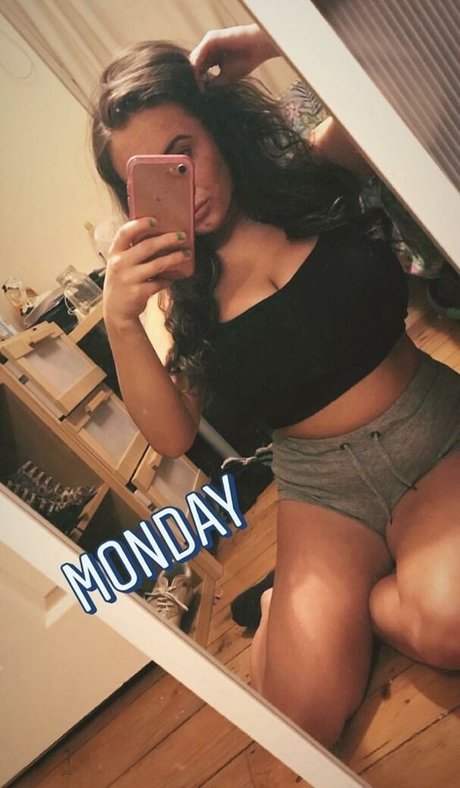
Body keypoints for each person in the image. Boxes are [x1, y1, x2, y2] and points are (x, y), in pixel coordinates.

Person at [91, 24, 460, 748]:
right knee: (299, 717)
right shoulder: (178, 295)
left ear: (216, 124)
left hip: (430, 436)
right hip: (321, 492)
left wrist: (279, 38)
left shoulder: (316, 171)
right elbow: (171, 436)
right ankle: (293, 604)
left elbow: (417, 77)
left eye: (184, 151)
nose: (186, 187)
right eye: (156, 173)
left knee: (449, 621)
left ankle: (379, 604)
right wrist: (122, 322)